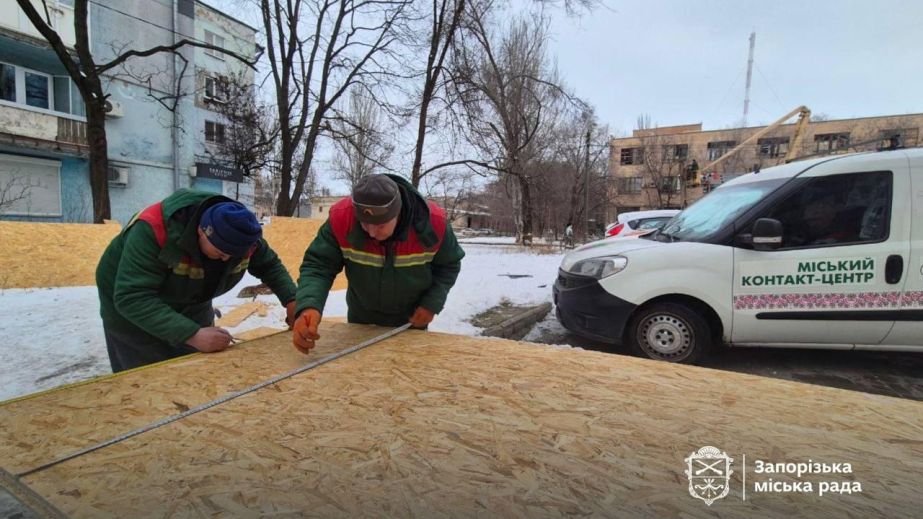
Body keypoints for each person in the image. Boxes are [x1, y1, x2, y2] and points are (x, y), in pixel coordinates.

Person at [96, 189, 297, 372]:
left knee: (197, 371)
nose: (227, 259)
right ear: (202, 230)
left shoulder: (241, 234)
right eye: (220, 252)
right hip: (131, 310)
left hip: (192, 297)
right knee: (147, 378)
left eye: (234, 255)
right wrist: (192, 334)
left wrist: (292, 301)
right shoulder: (154, 230)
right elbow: (132, 297)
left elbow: (270, 266)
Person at [292, 174, 465, 354]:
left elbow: (449, 266)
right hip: (360, 322)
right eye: (365, 224)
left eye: (380, 225)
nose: (372, 232)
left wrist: (432, 303)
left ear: (398, 213)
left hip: (410, 322)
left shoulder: (433, 223)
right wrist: (309, 305)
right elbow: (319, 266)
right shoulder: (342, 219)